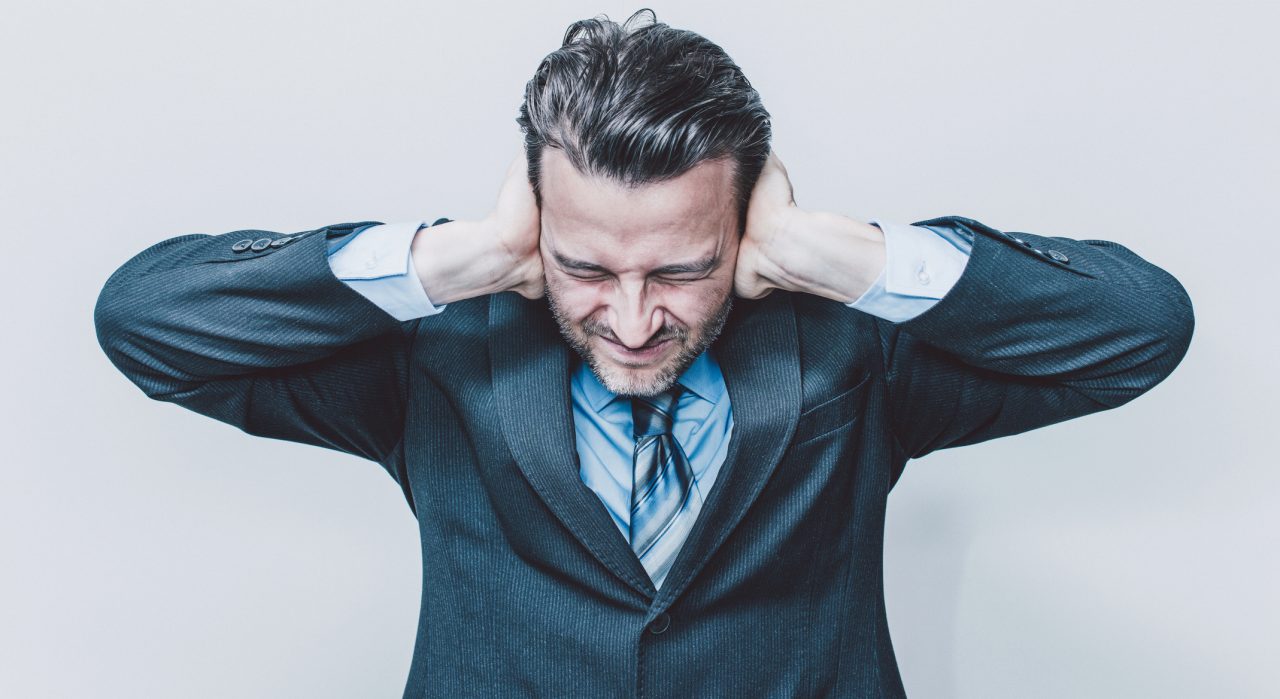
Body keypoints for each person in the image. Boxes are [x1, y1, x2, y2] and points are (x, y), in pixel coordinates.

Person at [93, 9, 1194, 698]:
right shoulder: (433, 360)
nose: (628, 321)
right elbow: (148, 322)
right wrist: (445, 260)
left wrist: (839, 255)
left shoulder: (853, 353)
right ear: (532, 220)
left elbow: (1137, 331)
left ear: (742, 233)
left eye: (678, 272)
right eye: (585, 269)